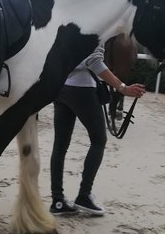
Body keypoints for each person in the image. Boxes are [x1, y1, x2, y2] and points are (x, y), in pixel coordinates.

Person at [49, 44, 145, 216]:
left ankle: (57, 201)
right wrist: (123, 88)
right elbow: (94, 61)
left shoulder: (67, 19)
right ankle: (84, 196)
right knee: (99, 140)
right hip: (83, 89)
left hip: (60, 87)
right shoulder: (97, 23)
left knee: (60, 145)